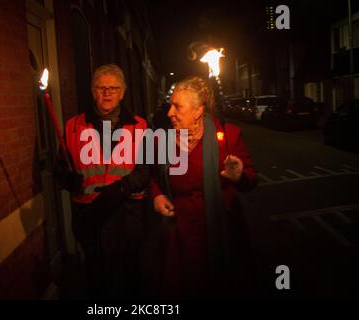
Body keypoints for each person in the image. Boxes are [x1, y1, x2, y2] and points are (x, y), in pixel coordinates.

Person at [150, 76, 258, 299]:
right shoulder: (163, 141)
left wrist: (239, 176)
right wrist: (157, 196)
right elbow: (153, 178)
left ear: (198, 111)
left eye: (177, 106)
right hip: (178, 236)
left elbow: (251, 180)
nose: (169, 112)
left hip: (220, 231)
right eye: (170, 105)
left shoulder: (228, 135)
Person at [54, 64, 150, 299]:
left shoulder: (140, 125)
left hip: (126, 213)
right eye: (101, 88)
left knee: (130, 275)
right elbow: (59, 167)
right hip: (90, 213)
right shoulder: (73, 126)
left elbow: (147, 169)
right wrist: (69, 179)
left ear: (123, 91)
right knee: (97, 278)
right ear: (92, 91)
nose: (107, 93)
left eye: (113, 88)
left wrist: (122, 187)